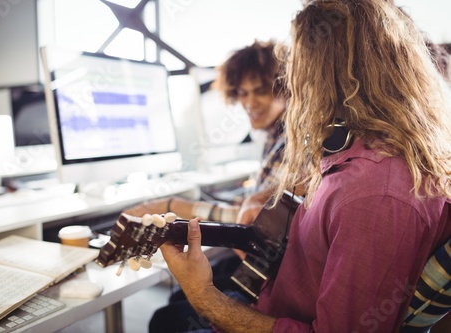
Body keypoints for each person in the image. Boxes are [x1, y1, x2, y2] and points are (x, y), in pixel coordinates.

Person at [158, 1, 451, 332]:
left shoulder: (377, 195)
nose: (294, 86)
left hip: (270, 318)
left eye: (298, 67)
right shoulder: (358, 154)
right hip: (267, 299)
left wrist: (203, 296)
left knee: (165, 321)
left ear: (320, 75)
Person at [123, 40, 289, 225]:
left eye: (261, 91)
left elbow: (256, 218)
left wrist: (172, 206)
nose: (250, 103)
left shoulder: (290, 142)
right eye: (243, 93)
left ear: (284, 89)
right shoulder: (274, 138)